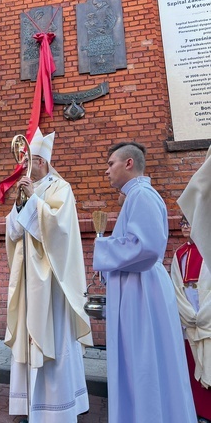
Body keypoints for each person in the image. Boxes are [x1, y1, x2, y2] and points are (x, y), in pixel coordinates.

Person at [93, 141, 197, 423]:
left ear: (129, 163)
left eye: (110, 163)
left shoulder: (142, 195)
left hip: (141, 292)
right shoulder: (135, 196)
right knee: (138, 360)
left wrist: (102, 249)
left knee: (144, 360)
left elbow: (147, 247)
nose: (106, 171)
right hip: (135, 288)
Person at [5, 127, 92, 423]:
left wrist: (32, 201)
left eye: (30, 160)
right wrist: (20, 203)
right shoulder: (24, 187)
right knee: (27, 333)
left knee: (52, 335)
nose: (25, 165)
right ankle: (28, 406)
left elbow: (59, 228)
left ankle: (58, 408)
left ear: (41, 161)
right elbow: (14, 231)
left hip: (52, 280)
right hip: (28, 278)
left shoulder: (60, 188)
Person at [171, 217, 211, 423]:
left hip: (207, 312)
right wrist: (188, 314)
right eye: (182, 223)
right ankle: (198, 411)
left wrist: (205, 314)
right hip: (189, 315)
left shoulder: (209, 249)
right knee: (191, 361)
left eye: (189, 222)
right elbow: (176, 288)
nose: (185, 227)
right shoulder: (179, 254)